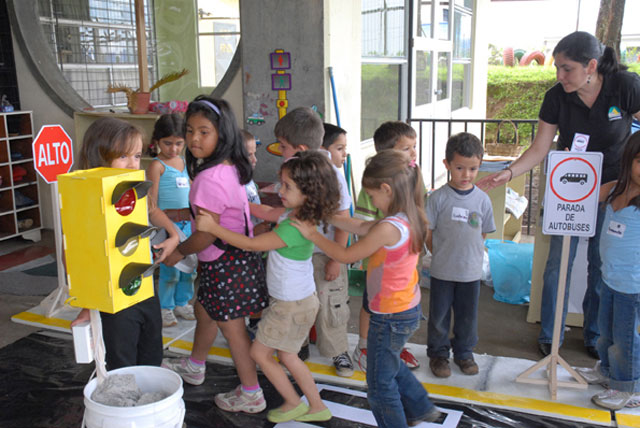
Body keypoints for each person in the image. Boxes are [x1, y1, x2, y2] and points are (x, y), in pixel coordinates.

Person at [476, 31, 640, 359]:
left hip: (614, 191)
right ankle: (551, 334)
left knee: (599, 261)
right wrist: (508, 173)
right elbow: (539, 148)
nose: (559, 76)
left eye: (567, 69)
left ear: (591, 66)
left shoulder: (625, 85)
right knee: (557, 263)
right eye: (557, 68)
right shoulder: (556, 96)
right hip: (570, 189)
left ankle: (594, 335)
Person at [292, 150, 440, 428]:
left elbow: (346, 255)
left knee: (379, 386)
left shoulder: (389, 227)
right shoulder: (410, 216)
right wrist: (326, 216)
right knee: (390, 363)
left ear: (386, 189)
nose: (371, 202)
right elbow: (360, 225)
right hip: (406, 309)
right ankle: (420, 406)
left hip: (389, 317)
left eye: (372, 197)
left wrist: (312, 234)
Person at [196, 151, 338, 423]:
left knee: (259, 353)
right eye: (281, 183)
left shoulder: (292, 228)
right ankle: (317, 405)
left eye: (287, 187)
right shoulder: (294, 214)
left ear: (308, 193)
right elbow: (265, 211)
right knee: (288, 355)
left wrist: (213, 226)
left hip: (289, 306)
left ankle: (293, 402)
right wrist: (237, 201)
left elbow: (250, 244)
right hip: (299, 301)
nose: (279, 190)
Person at [161, 96, 269, 414]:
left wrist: (177, 251)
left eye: (204, 131)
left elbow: (207, 232)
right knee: (205, 310)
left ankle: (251, 392)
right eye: (190, 130)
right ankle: (195, 365)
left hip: (224, 262)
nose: (194, 139)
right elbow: (213, 213)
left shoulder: (208, 177)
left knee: (232, 328)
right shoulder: (229, 167)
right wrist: (177, 211)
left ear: (221, 133)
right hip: (237, 258)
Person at [70, 117, 180, 370]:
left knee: (152, 351)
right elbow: (75, 256)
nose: (132, 164)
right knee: (121, 361)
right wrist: (88, 303)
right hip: (112, 299)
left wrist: (172, 235)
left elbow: (153, 210)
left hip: (143, 286)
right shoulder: (86, 200)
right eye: (122, 156)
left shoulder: (133, 189)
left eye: (137, 156)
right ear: (98, 156)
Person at [253, 107, 354, 377]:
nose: (280, 151)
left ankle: (338, 350)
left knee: (330, 303)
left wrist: (335, 259)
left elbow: (342, 218)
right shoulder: (296, 170)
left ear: (299, 148)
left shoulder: (331, 173)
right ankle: (296, 346)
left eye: (283, 147)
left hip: (325, 253)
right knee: (302, 302)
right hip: (299, 252)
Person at [352, 120, 420, 372]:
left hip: (403, 262)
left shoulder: (410, 176)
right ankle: (363, 346)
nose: (413, 153)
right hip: (379, 263)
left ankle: (395, 346)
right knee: (372, 305)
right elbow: (362, 225)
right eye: (406, 149)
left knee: (399, 307)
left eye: (414, 147)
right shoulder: (373, 189)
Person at [426, 133, 495, 378]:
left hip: (470, 273)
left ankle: (464, 353)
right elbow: (428, 232)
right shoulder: (437, 199)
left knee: (467, 317)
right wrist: (442, 255)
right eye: (459, 168)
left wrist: (470, 258)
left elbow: (483, 234)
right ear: (447, 165)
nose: (466, 174)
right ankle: (438, 355)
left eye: (473, 168)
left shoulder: (483, 200)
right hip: (443, 271)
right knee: (439, 317)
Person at [586, 132, 640, 410]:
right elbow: (584, 193)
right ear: (629, 160)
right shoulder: (615, 189)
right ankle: (607, 371)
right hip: (610, 279)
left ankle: (626, 386)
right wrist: (574, 162)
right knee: (605, 333)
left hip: (632, 287)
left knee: (625, 339)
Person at [146, 113, 197, 328]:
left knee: (190, 269)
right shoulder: (157, 166)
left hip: (188, 225)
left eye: (178, 144)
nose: (173, 149)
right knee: (170, 269)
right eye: (167, 143)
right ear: (156, 141)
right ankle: (165, 307)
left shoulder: (185, 164)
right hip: (167, 226)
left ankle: (182, 302)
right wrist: (167, 227)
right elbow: (152, 204)